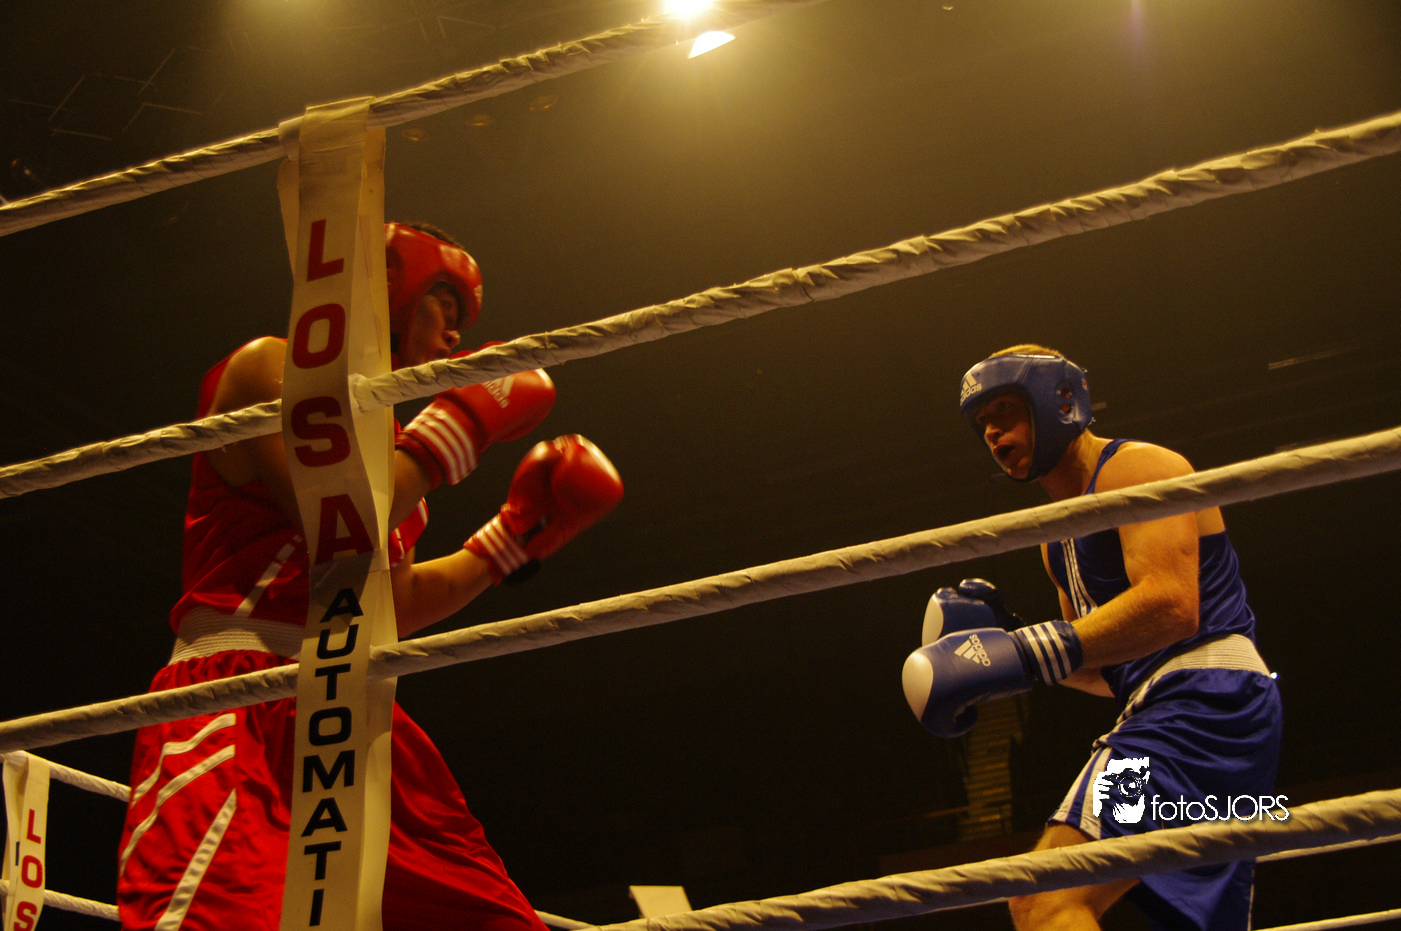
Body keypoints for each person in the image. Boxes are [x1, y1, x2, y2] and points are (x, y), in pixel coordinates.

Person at [117, 222, 624, 931]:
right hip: (238, 690)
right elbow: (338, 516)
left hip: (349, 707)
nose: (456, 333)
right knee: (221, 918)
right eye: (446, 301)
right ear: (389, 280)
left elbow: (391, 603)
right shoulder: (268, 367)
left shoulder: (391, 461)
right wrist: (458, 426)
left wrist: (512, 539)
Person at [903, 345, 1283, 931]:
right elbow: (1106, 670)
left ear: (1059, 400)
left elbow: (1172, 606)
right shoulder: (1055, 540)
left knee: (1045, 898)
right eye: (982, 423)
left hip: (1199, 702)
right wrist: (1005, 652)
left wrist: (1023, 650)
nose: (993, 431)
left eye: (1005, 410)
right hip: (1199, 713)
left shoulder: (1137, 469)